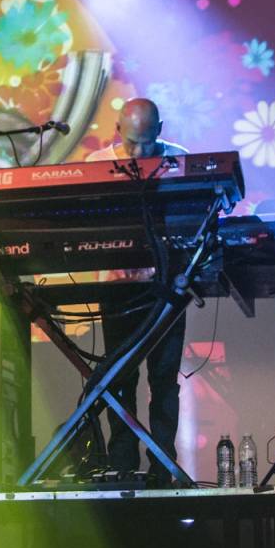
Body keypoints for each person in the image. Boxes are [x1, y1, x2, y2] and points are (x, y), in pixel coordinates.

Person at [85, 97, 189, 484]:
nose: (140, 153)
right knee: (119, 378)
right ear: (117, 131)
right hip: (118, 288)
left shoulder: (179, 160)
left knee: (163, 377)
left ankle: (162, 464)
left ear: (160, 131)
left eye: (147, 143)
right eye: (131, 143)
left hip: (166, 287)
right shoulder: (97, 164)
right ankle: (122, 462)